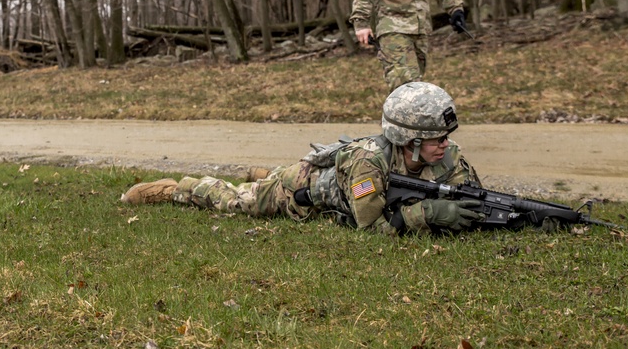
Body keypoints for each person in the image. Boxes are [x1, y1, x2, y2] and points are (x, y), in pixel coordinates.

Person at [120, 82, 486, 236]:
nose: (445, 145)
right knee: (240, 202)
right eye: (436, 139)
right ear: (410, 139)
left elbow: (473, 196)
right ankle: (176, 190)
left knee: (266, 180)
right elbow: (370, 227)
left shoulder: (444, 153)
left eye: (445, 138)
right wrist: (429, 214)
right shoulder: (368, 162)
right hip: (300, 190)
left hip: (323, 179)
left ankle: (263, 173)